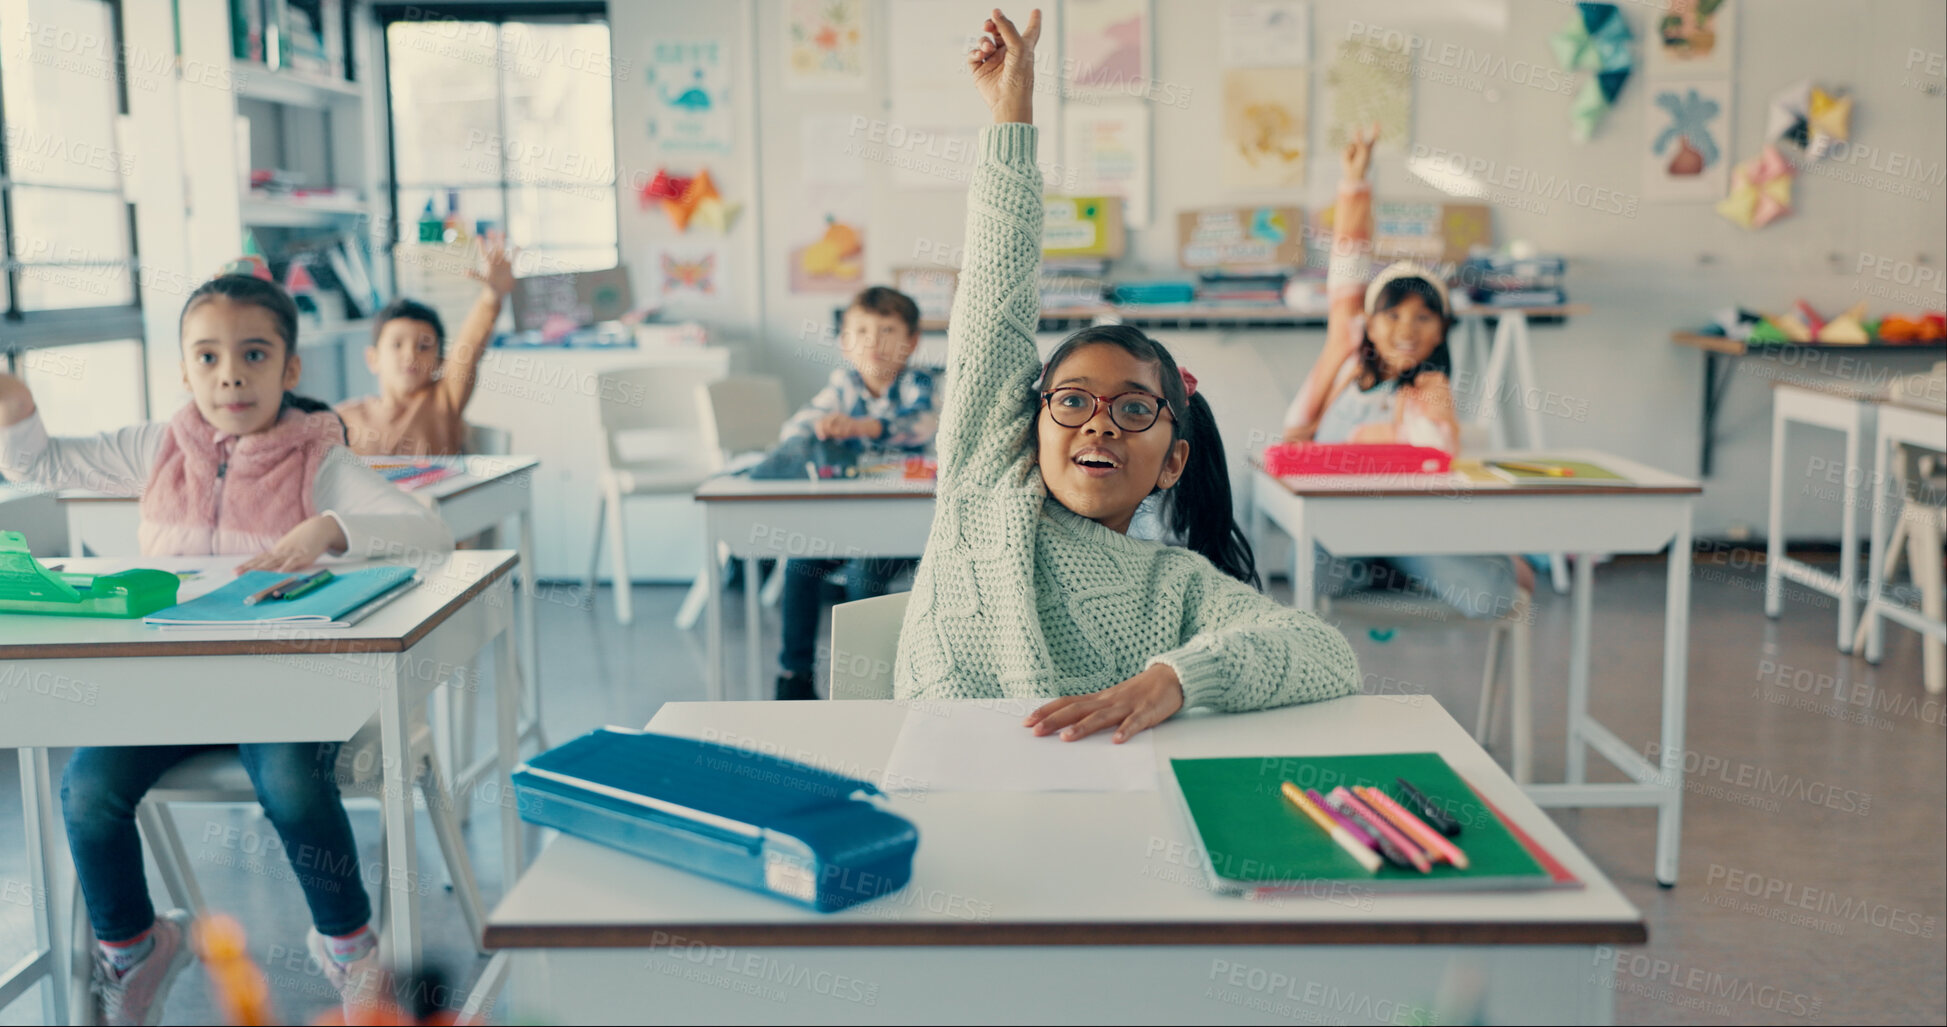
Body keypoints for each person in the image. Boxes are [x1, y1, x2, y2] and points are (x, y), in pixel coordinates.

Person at [890, 8, 1359, 742]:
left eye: (1134, 409)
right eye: (1071, 401)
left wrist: (1178, 678)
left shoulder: (1177, 585)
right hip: (937, 796)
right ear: (1029, 421)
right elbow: (995, 287)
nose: (1099, 421)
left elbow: (1326, 653)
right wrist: (1010, 109)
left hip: (1099, 817)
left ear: (1174, 459)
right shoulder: (982, 482)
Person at [0, 274, 454, 1025]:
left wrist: (330, 530)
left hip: (279, 687)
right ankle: (135, 946)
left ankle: (348, 947)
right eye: (207, 357)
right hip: (168, 688)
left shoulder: (319, 458)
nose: (230, 374)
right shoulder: (158, 445)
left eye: (252, 353)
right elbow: (41, 465)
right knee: (86, 793)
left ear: (290, 369)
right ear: (183, 370)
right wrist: (16, 407)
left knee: (292, 785)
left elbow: (429, 530)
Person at [1282, 126, 1531, 618]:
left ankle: (1429, 562)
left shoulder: (1431, 388)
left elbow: (1436, 451)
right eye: (1392, 315)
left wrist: (1378, 437)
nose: (1406, 330)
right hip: (1338, 529)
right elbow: (1349, 262)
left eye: (1423, 318)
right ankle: (1392, 569)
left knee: (1496, 596)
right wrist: (1355, 182)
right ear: (1368, 324)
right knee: (1309, 575)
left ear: (1441, 333)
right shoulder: (1345, 355)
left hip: (1404, 528)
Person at [774, 285, 938, 700]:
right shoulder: (842, 388)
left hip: (908, 524)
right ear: (845, 344)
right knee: (799, 563)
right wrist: (820, 426)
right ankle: (794, 674)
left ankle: (870, 686)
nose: (874, 343)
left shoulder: (924, 384)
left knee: (866, 571)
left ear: (912, 341)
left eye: (887, 331)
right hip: (852, 520)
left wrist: (868, 427)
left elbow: (922, 425)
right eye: (861, 332)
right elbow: (794, 429)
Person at [337, 234, 514, 457]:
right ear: (373, 359)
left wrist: (492, 297)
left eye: (424, 346)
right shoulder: (346, 417)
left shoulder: (443, 401)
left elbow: (468, 350)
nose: (410, 355)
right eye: (397, 344)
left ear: (440, 362)